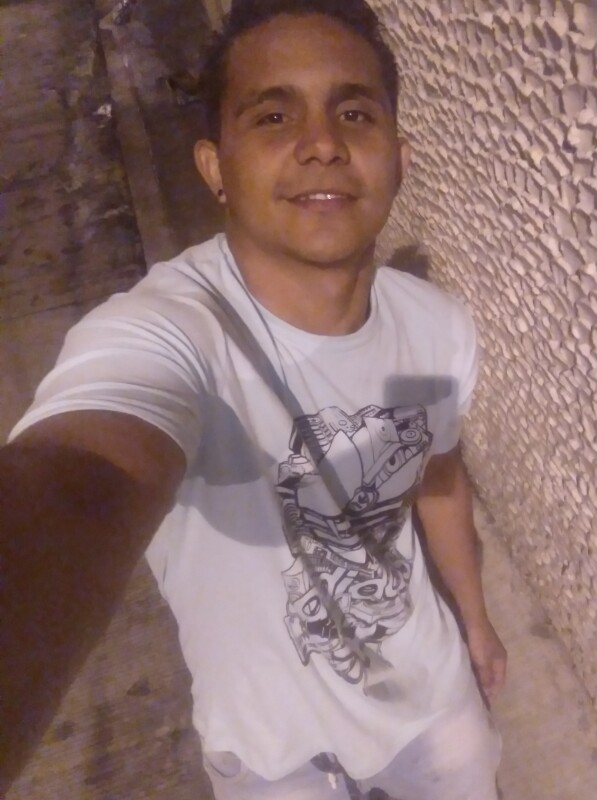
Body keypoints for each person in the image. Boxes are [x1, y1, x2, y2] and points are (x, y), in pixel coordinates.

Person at [0, 1, 507, 797]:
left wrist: (475, 620)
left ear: (399, 157)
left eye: (354, 112)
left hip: (433, 714)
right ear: (214, 169)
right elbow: (78, 485)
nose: (322, 143)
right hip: (271, 758)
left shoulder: (435, 329)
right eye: (274, 115)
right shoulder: (170, 336)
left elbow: (437, 476)